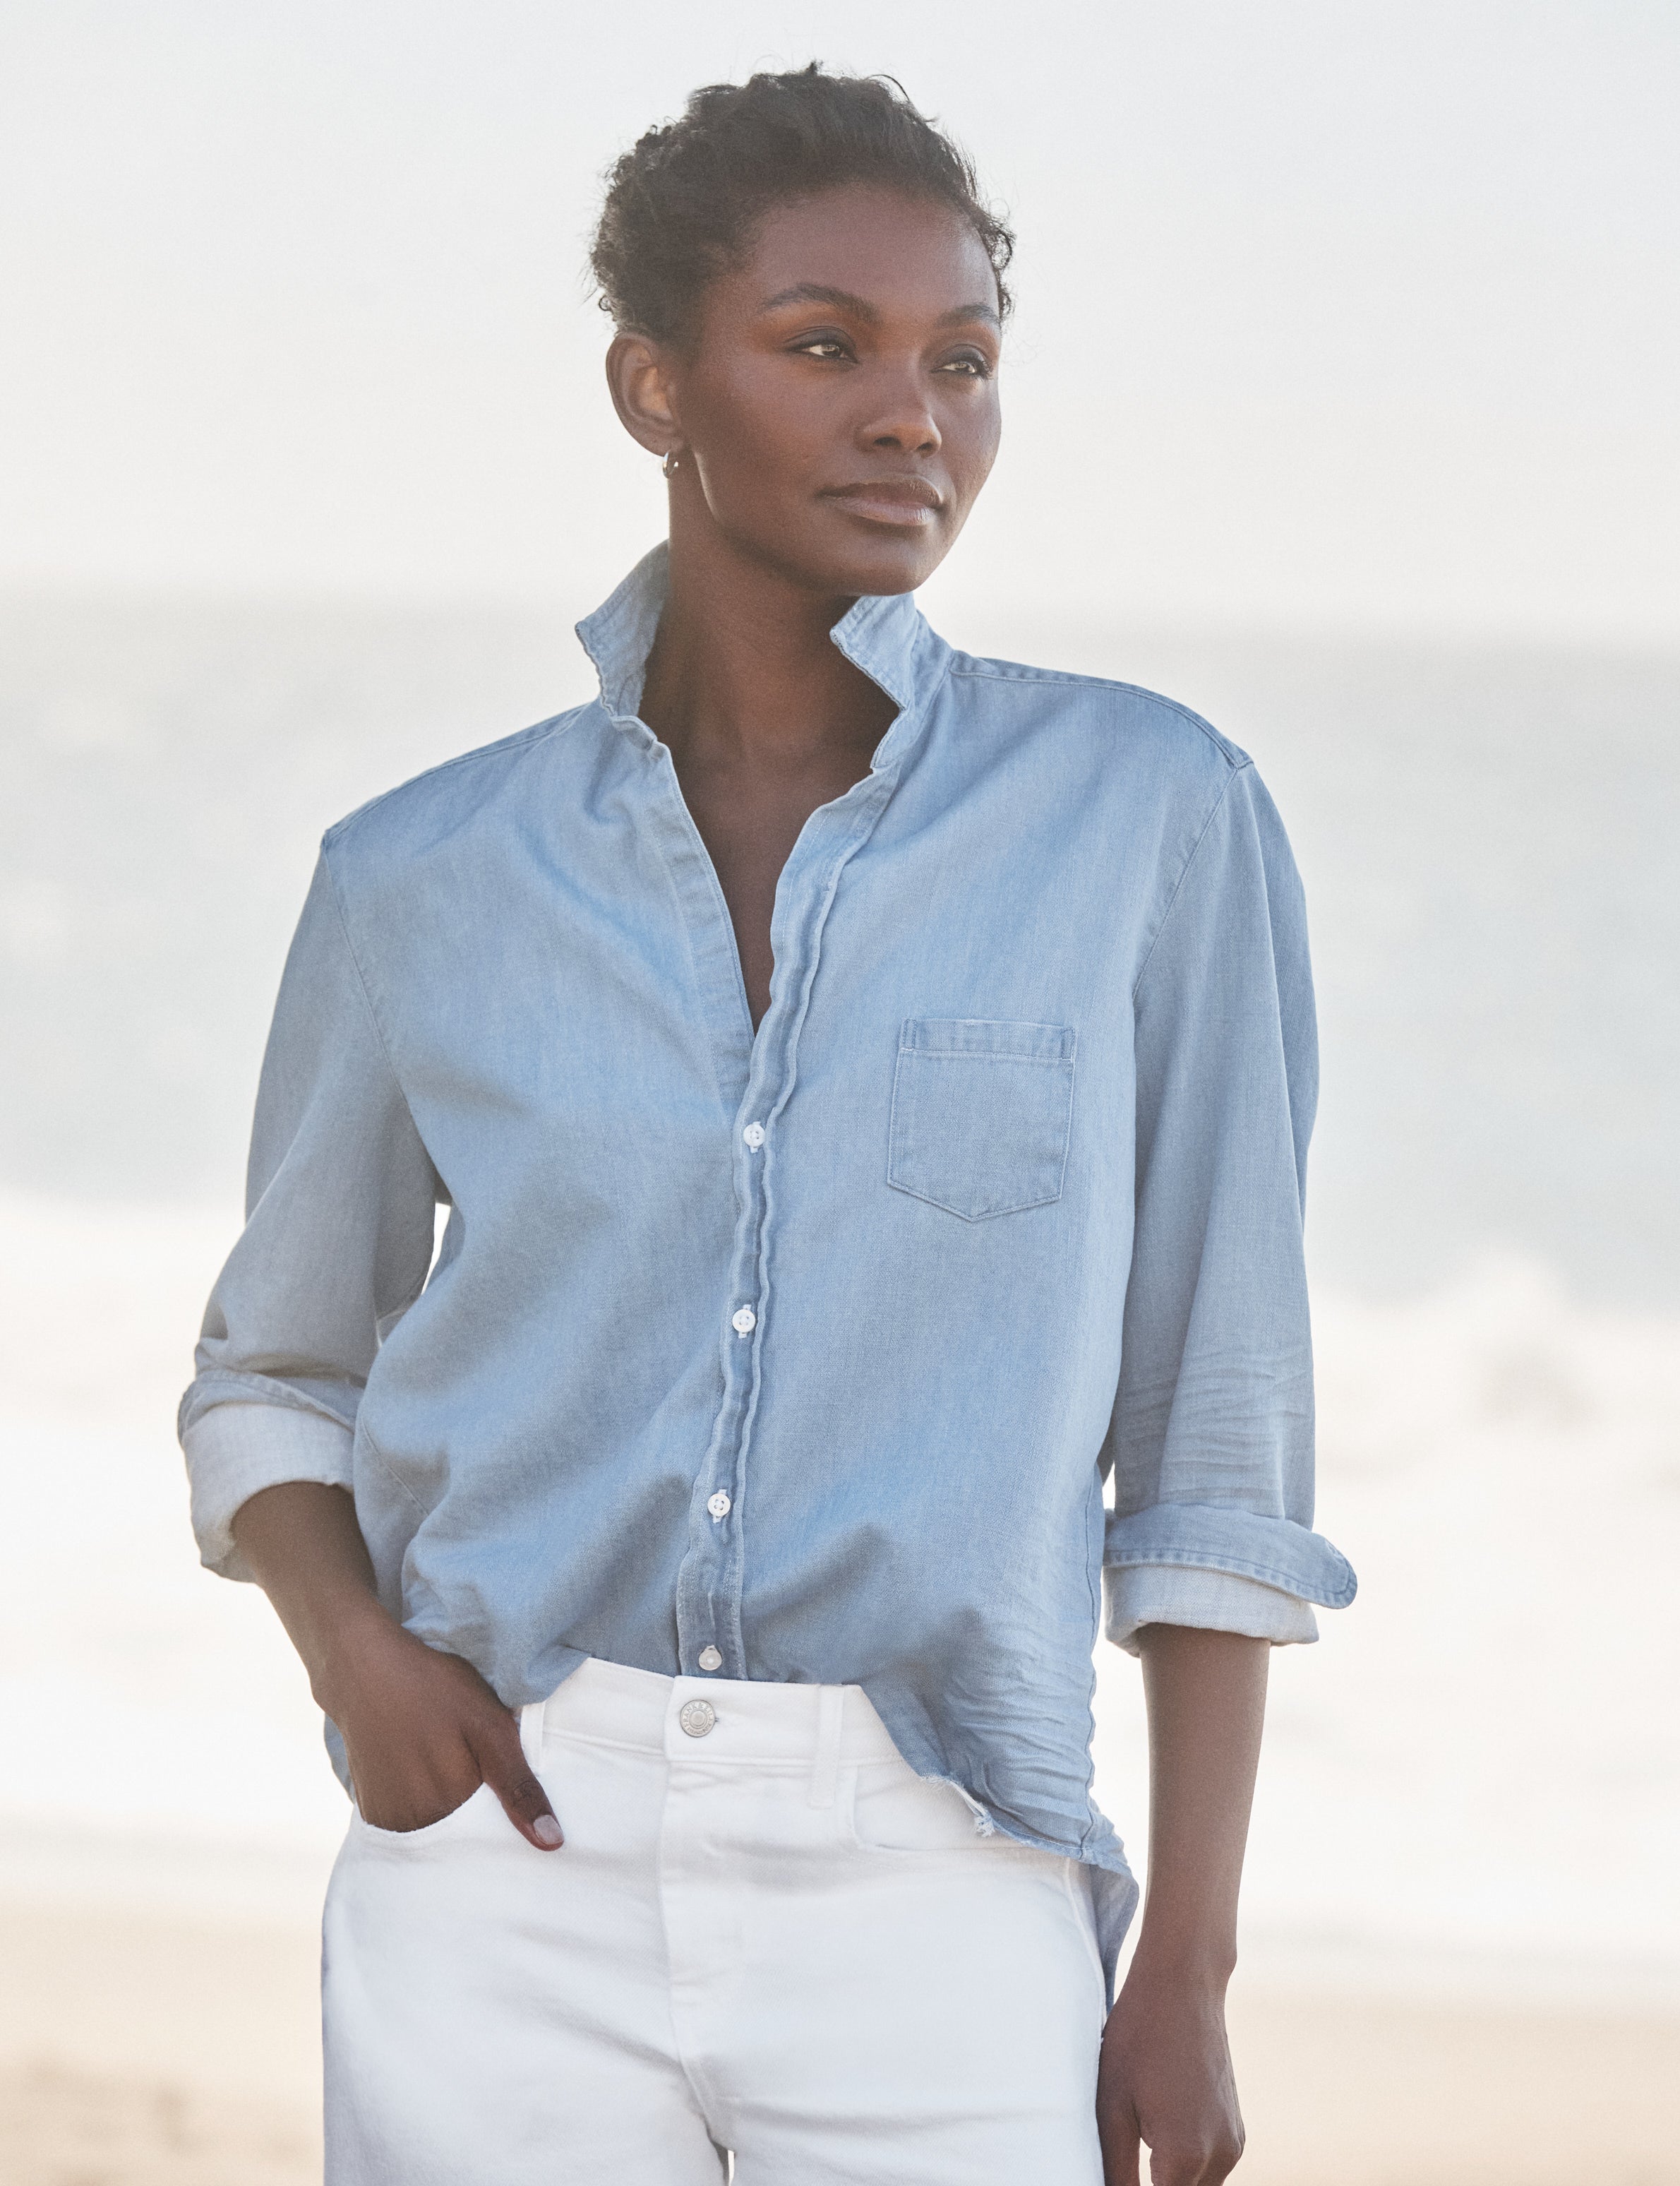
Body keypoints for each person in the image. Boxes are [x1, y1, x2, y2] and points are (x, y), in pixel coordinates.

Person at [179, 64, 1355, 2185]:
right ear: (654, 385)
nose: (914, 416)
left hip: (946, 1866)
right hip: (498, 1858)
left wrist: (1181, 1962)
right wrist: (356, 1660)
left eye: (962, 361)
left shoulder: (1149, 821)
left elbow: (1212, 1433)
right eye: (825, 346)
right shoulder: (418, 874)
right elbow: (273, 1366)